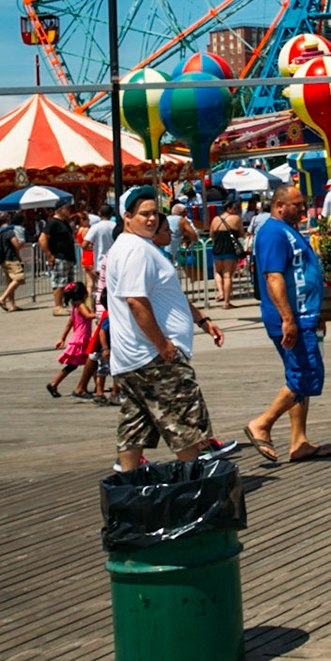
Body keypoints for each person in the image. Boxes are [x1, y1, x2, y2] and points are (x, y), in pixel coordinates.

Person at [104, 187, 229, 471]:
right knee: (181, 421)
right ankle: (195, 485)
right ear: (127, 217)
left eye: (154, 214)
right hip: (152, 355)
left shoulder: (133, 247)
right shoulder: (135, 249)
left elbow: (168, 294)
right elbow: (136, 301)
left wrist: (202, 320)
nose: (151, 220)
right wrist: (162, 344)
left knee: (133, 425)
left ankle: (129, 484)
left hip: (131, 357)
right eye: (144, 214)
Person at [246, 185, 331, 463]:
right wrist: (287, 318)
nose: (302, 210)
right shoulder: (272, 233)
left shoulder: (288, 230)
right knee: (305, 374)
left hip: (304, 314)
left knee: (300, 375)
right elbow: (273, 277)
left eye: (303, 204)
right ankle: (263, 423)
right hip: (291, 318)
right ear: (279, 205)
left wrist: (315, 311)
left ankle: (299, 440)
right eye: (296, 205)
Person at [48, 283, 97, 397]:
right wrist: (100, 314)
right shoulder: (81, 306)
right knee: (90, 361)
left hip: (78, 337)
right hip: (82, 339)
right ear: (84, 294)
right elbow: (88, 316)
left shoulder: (74, 307)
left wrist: (62, 338)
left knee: (88, 362)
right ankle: (54, 383)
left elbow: (70, 323)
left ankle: (98, 385)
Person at [208, 206, 244, 312]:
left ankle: (220, 293)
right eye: (234, 208)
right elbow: (241, 233)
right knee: (228, 275)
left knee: (218, 272)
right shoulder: (235, 218)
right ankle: (226, 302)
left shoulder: (215, 219)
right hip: (229, 249)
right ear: (228, 208)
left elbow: (211, 234)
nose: (235, 210)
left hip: (217, 248)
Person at [43, 205, 78, 313]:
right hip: (59, 257)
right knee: (59, 282)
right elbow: (42, 238)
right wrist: (49, 255)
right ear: (59, 210)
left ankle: (64, 304)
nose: (68, 211)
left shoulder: (64, 222)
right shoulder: (52, 223)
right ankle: (58, 306)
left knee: (68, 282)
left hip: (68, 257)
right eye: (66, 209)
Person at [0, 214, 27, 312]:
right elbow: (16, 245)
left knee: (10, 282)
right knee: (19, 278)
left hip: (3, 259)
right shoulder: (9, 232)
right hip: (11, 258)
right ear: (8, 220)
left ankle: (12, 305)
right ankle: (2, 298)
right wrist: (22, 243)